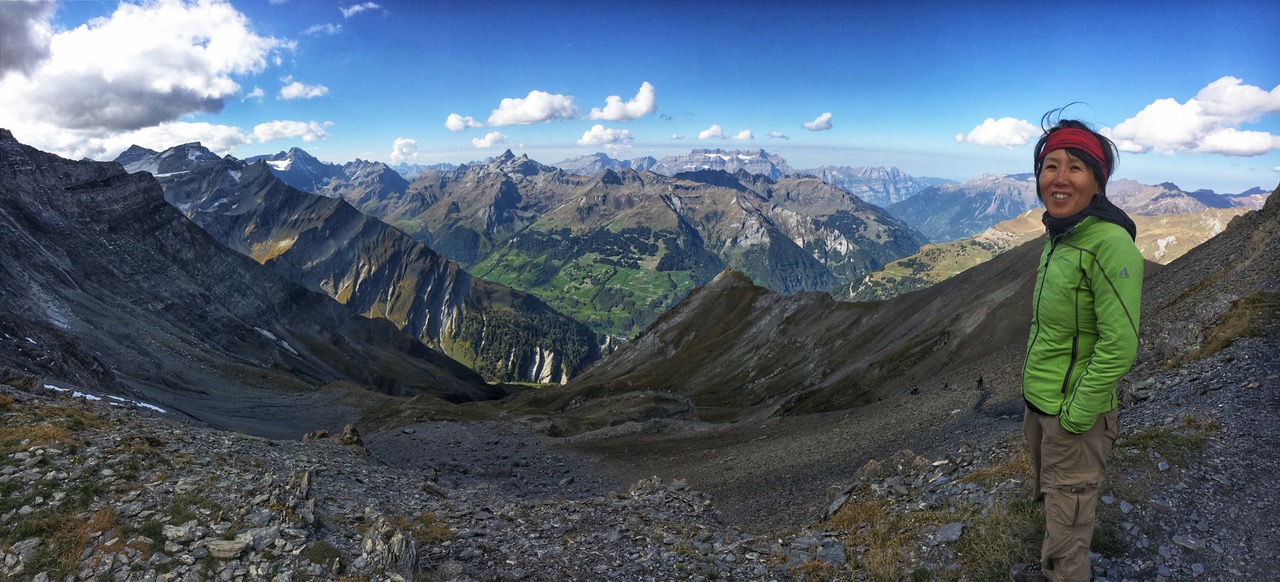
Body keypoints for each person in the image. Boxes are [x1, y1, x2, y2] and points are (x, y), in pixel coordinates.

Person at [1009, 112, 1143, 582]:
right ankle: (1053, 564)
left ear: (1097, 181)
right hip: (1042, 404)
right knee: (1055, 500)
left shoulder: (1108, 244)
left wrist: (1075, 415)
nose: (1059, 179)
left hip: (1073, 415)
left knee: (1070, 514)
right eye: (1050, 166)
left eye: (1075, 167)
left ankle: (1063, 572)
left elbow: (1120, 345)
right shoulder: (1061, 235)